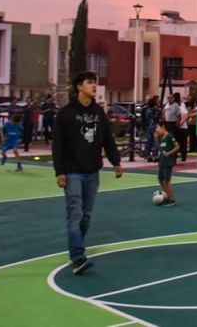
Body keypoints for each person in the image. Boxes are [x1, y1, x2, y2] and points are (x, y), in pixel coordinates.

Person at [52, 71, 123, 275]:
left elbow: (107, 138)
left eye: (95, 83)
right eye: (89, 82)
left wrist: (116, 161)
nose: (94, 86)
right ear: (79, 87)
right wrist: (59, 171)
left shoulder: (98, 112)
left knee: (86, 216)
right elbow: (58, 144)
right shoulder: (65, 113)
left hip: (92, 171)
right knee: (75, 214)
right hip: (72, 172)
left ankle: (77, 247)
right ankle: (77, 256)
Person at [155, 122, 179, 206]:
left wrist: (169, 153)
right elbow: (159, 148)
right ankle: (168, 196)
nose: (156, 130)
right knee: (160, 179)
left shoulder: (169, 136)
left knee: (166, 181)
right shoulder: (162, 138)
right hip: (162, 161)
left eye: (157, 128)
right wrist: (156, 138)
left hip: (168, 162)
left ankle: (172, 199)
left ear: (163, 127)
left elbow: (177, 146)